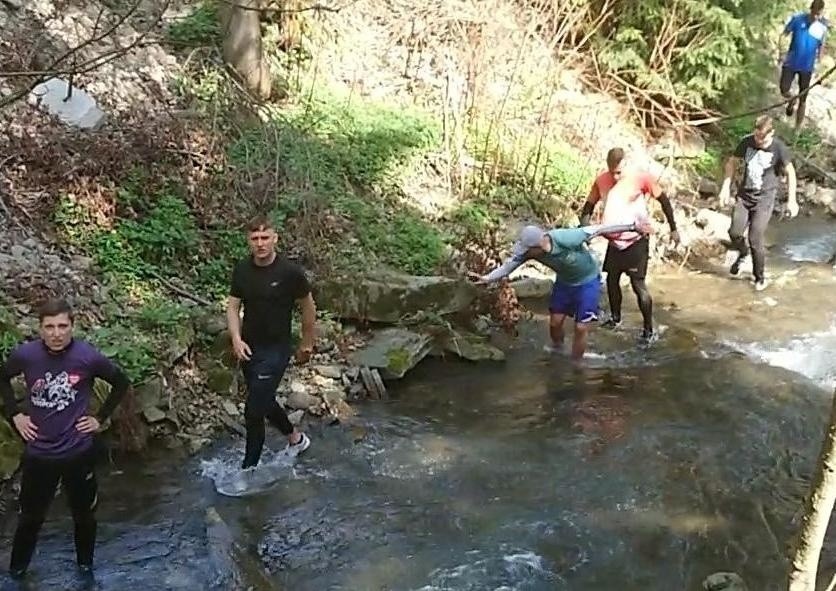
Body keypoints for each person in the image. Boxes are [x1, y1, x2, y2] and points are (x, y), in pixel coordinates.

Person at [0, 298, 130, 580]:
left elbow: (121, 382)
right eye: (49, 327)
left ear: (72, 326)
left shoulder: (87, 357)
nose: (56, 333)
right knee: (30, 520)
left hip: (78, 452)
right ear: (40, 329)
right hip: (39, 454)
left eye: (62, 326)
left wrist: (100, 418)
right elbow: (2, 377)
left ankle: (86, 572)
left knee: (84, 516)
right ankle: (16, 574)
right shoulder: (26, 355)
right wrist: (15, 415)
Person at [470, 219, 652, 361]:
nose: (524, 253)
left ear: (539, 245)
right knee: (555, 323)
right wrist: (487, 278)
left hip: (587, 280)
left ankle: (576, 364)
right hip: (565, 283)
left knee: (581, 327)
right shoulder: (528, 253)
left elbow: (598, 229)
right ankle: (558, 351)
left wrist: (632, 227)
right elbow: (508, 267)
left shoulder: (564, 237)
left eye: (527, 250)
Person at [227, 214, 316, 470]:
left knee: (253, 410)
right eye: (255, 238)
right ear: (248, 241)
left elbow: (308, 307)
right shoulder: (242, 269)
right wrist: (236, 337)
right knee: (263, 400)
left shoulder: (290, 273)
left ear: (275, 239)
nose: (260, 243)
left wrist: (307, 342)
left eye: (265, 237)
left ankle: (247, 472)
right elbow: (233, 306)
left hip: (277, 349)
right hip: (249, 347)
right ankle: (295, 439)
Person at [579, 148, 680, 343]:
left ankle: (648, 329)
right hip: (614, 241)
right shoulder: (602, 180)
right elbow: (588, 206)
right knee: (611, 280)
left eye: (619, 172)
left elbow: (664, 201)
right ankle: (615, 318)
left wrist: (673, 229)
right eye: (612, 172)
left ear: (626, 164)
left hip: (636, 241)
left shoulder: (641, 178)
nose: (615, 177)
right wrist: (584, 231)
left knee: (638, 285)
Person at [718, 115, 798, 291]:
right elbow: (732, 162)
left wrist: (792, 200)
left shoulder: (779, 148)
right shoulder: (746, 142)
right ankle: (743, 253)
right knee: (734, 232)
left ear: (772, 133)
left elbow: (790, 172)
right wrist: (725, 186)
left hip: (765, 199)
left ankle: (759, 277)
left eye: (763, 138)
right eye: (757, 137)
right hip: (744, 196)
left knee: (755, 238)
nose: (759, 141)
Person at [781, 0, 828, 129]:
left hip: (807, 67)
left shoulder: (822, 28)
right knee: (784, 89)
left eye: (818, 15)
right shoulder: (797, 19)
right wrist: (781, 52)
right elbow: (784, 34)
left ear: (821, 13)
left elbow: (821, 50)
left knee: (803, 99)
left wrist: (820, 69)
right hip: (791, 62)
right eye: (814, 13)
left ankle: (797, 129)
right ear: (810, 10)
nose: (815, 17)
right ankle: (791, 100)